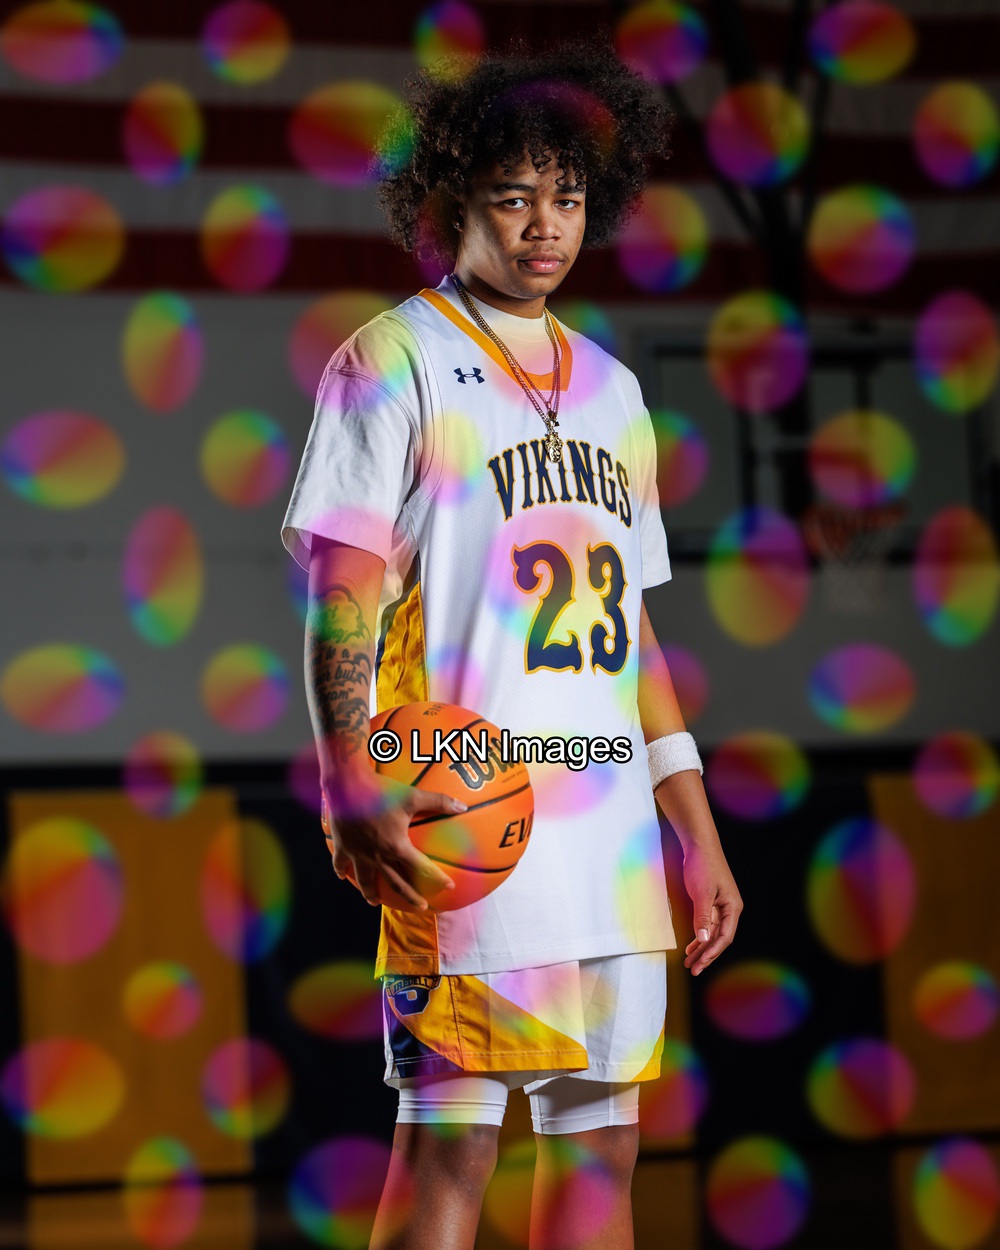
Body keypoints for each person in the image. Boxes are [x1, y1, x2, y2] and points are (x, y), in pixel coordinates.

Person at [280, 32, 742, 1250]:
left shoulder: (615, 391)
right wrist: (347, 778)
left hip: (610, 837)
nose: (545, 225)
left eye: (568, 196)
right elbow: (341, 589)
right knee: (452, 1149)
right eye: (513, 195)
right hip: (468, 822)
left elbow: (632, 634)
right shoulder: (390, 359)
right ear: (450, 202)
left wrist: (692, 825)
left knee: (603, 1151)